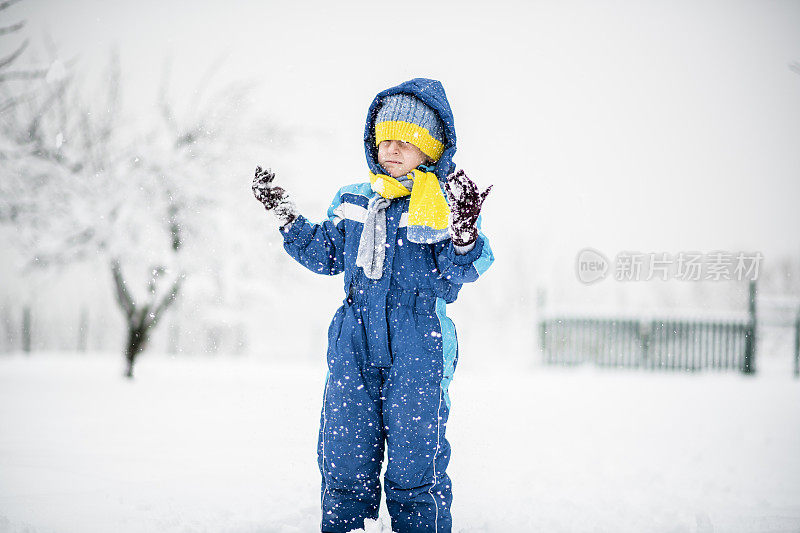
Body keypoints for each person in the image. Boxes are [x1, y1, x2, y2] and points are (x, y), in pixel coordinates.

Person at [252, 78, 493, 533]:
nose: (391, 149)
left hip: (418, 342)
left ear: (431, 150)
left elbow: (462, 270)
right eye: (384, 140)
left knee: (413, 462)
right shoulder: (355, 199)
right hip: (354, 341)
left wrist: (464, 236)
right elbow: (326, 253)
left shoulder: (442, 206)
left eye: (406, 140)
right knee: (345, 457)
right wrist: (286, 217)